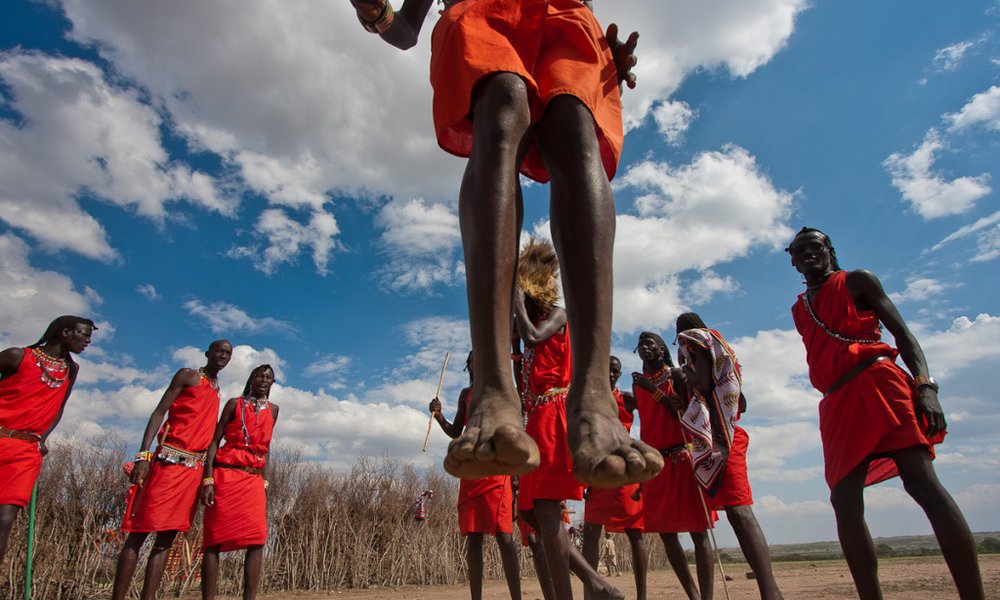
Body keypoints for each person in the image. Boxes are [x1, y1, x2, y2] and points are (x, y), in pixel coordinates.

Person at [350, 0, 662, 487]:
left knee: (575, 128)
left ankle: (595, 395)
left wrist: (607, 48)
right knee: (501, 107)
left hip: (566, 14)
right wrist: (376, 13)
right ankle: (494, 388)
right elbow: (406, 29)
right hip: (478, 12)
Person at [786, 227, 984, 600]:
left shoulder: (858, 281)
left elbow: (904, 335)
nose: (808, 253)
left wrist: (926, 387)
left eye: (815, 246)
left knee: (921, 481)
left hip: (879, 381)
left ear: (830, 250)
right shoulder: (800, 308)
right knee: (843, 500)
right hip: (836, 400)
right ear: (792, 260)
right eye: (800, 250)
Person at [513, 239, 622, 600]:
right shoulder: (527, 322)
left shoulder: (558, 314)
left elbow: (532, 337)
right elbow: (519, 368)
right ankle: (595, 583)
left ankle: (581, 589)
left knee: (544, 510)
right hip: (536, 417)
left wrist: (514, 302)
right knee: (532, 514)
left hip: (553, 414)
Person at [112, 339, 233, 600]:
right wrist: (143, 456)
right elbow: (158, 413)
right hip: (167, 464)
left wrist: (208, 476)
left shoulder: (216, 390)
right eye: (219, 351)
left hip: (193, 471)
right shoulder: (188, 376)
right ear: (207, 354)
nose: (223, 356)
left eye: (228, 354)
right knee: (139, 532)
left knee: (167, 539)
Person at [675, 312, 783, 599]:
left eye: (680, 335)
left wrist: (687, 376)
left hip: (726, 439)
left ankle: (770, 592)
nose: (681, 342)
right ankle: (770, 591)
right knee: (737, 515)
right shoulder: (713, 353)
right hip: (722, 436)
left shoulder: (702, 344)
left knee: (740, 512)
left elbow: (702, 386)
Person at [0, 316, 95, 563]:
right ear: (65, 332)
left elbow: (59, 407)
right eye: (83, 335)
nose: (87, 341)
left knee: (4, 520)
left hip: (25, 450)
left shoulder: (70, 370)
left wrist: (43, 438)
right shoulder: (17, 356)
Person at [429, 352, 521, 600]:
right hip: (472, 469)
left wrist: (515, 473)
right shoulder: (465, 395)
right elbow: (456, 431)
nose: (475, 364)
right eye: (471, 362)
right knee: (473, 537)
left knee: (505, 535)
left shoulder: (501, 389)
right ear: (468, 367)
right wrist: (439, 416)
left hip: (497, 467)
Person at [631, 332, 714, 600]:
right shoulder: (637, 384)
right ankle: (692, 595)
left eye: (650, 344)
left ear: (661, 348)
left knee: (698, 532)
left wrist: (650, 388)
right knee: (666, 535)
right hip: (656, 464)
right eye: (641, 344)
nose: (645, 348)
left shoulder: (676, 375)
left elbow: (677, 409)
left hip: (681, 457)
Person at [201, 364, 280, 600]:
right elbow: (214, 441)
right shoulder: (235, 404)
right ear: (251, 379)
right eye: (260, 376)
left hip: (253, 480)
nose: (264, 380)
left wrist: (265, 479)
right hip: (226, 475)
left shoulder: (274, 410)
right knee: (214, 540)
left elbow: (265, 447)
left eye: (269, 378)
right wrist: (208, 479)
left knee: (257, 539)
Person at [583, 356, 646, 599]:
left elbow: (652, 411)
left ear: (619, 375)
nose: (610, 374)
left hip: (625, 472)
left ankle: (642, 596)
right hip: (598, 473)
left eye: (615, 371)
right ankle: (591, 593)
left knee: (635, 533)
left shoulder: (627, 399)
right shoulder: (589, 402)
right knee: (590, 533)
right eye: (607, 369)